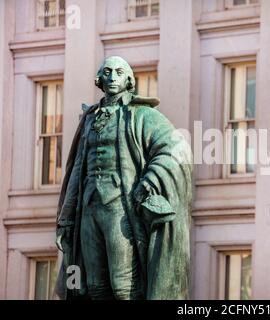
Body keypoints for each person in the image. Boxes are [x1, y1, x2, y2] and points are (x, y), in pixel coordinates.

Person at [54, 56, 193, 300]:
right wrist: (66, 218)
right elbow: (77, 170)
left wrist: (150, 180)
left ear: (129, 80)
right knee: (94, 286)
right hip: (89, 209)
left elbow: (176, 148)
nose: (112, 77)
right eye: (107, 72)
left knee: (123, 286)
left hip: (120, 208)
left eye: (119, 72)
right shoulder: (89, 119)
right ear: (99, 79)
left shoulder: (143, 115)